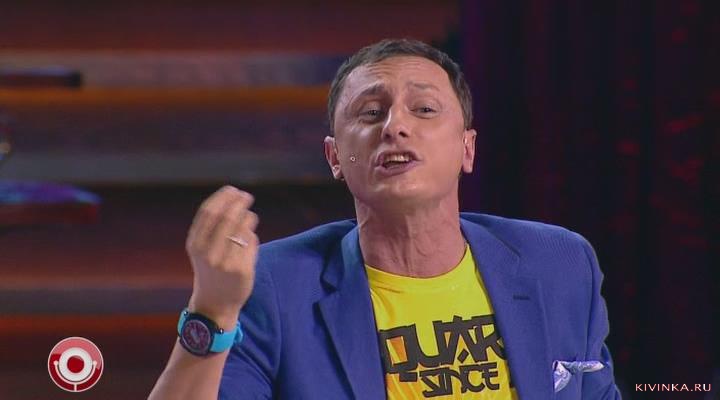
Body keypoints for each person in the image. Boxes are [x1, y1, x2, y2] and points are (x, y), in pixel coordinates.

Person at [149, 38, 621, 399]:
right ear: (335, 157)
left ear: (467, 148)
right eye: (371, 112)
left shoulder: (558, 263)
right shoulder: (273, 286)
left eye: (425, 109)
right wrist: (211, 312)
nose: (395, 126)